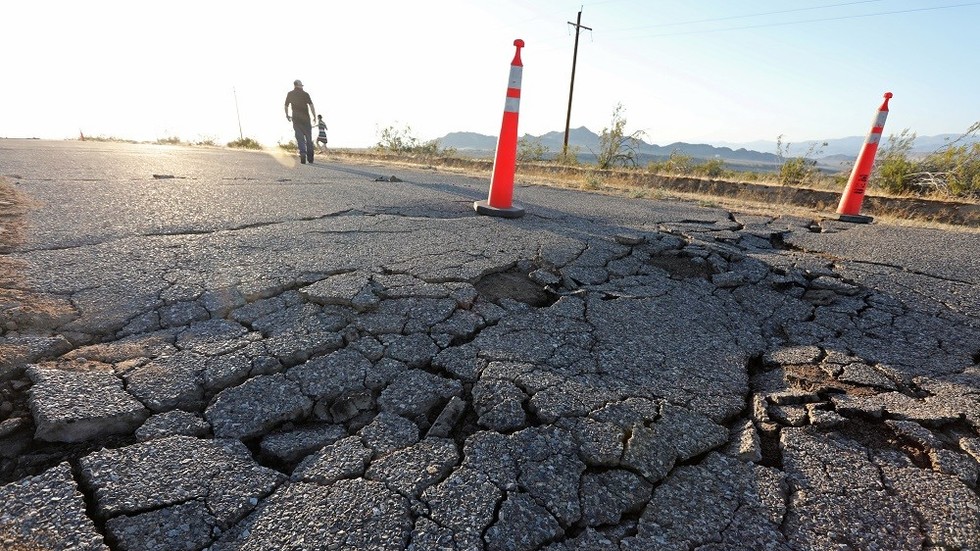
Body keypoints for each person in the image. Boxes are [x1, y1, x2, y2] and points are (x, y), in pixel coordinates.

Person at [284, 79, 316, 164]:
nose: (302, 87)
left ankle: (302, 153)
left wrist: (287, 115)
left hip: (296, 119)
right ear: (298, 85)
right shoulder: (305, 94)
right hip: (305, 119)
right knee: (308, 138)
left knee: (300, 137)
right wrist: (314, 116)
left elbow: (286, 105)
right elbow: (311, 105)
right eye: (301, 85)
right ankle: (310, 158)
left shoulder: (290, 94)